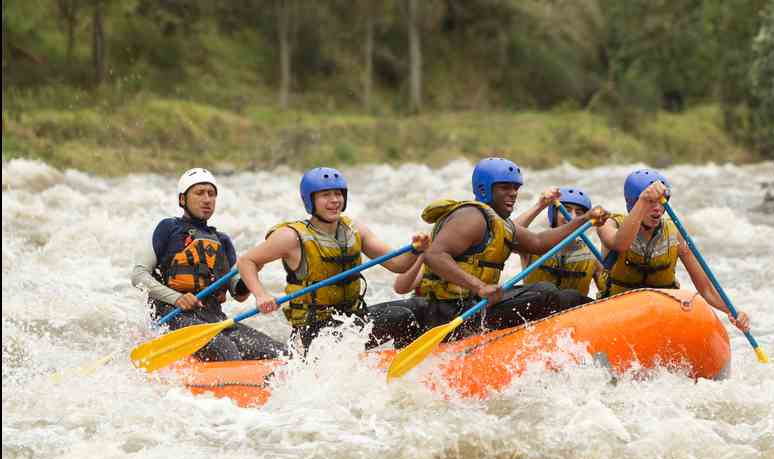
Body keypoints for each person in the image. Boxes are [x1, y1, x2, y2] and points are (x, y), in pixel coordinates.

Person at [236, 167, 429, 352]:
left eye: (338, 194)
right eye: (326, 195)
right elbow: (246, 261)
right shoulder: (291, 237)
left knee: (418, 307)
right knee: (400, 316)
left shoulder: (354, 230)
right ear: (310, 201)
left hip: (350, 319)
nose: (335, 200)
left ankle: (402, 367)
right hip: (314, 332)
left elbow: (398, 265)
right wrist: (261, 295)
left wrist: (416, 251)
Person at [417, 157, 609, 341]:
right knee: (545, 293)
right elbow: (434, 255)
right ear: (484, 189)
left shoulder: (499, 223)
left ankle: (599, 323)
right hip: (448, 311)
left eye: (516, 188)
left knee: (565, 296)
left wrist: (584, 220)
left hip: (472, 306)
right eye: (505, 187)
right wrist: (480, 287)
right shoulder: (471, 216)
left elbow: (538, 241)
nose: (513, 193)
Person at [131, 168, 287, 362]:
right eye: (199, 193)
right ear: (182, 199)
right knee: (225, 349)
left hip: (213, 319)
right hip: (173, 315)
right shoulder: (167, 229)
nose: (207, 199)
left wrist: (255, 265)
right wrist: (177, 298)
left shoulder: (222, 241)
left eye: (211, 194)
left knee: (281, 353)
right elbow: (138, 276)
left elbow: (238, 293)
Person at [595, 168, 751, 332]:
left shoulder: (676, 233)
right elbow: (620, 244)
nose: (657, 208)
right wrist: (643, 200)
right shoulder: (609, 224)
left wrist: (732, 310)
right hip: (620, 311)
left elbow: (706, 289)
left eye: (661, 202)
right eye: (651, 202)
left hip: (662, 313)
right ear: (633, 203)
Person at [514, 186, 604, 299]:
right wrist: (540, 205)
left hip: (574, 312)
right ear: (553, 215)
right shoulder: (533, 244)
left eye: (579, 213)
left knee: (572, 296)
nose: (572, 217)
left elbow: (608, 292)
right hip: (535, 310)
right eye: (566, 210)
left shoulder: (592, 255)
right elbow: (507, 232)